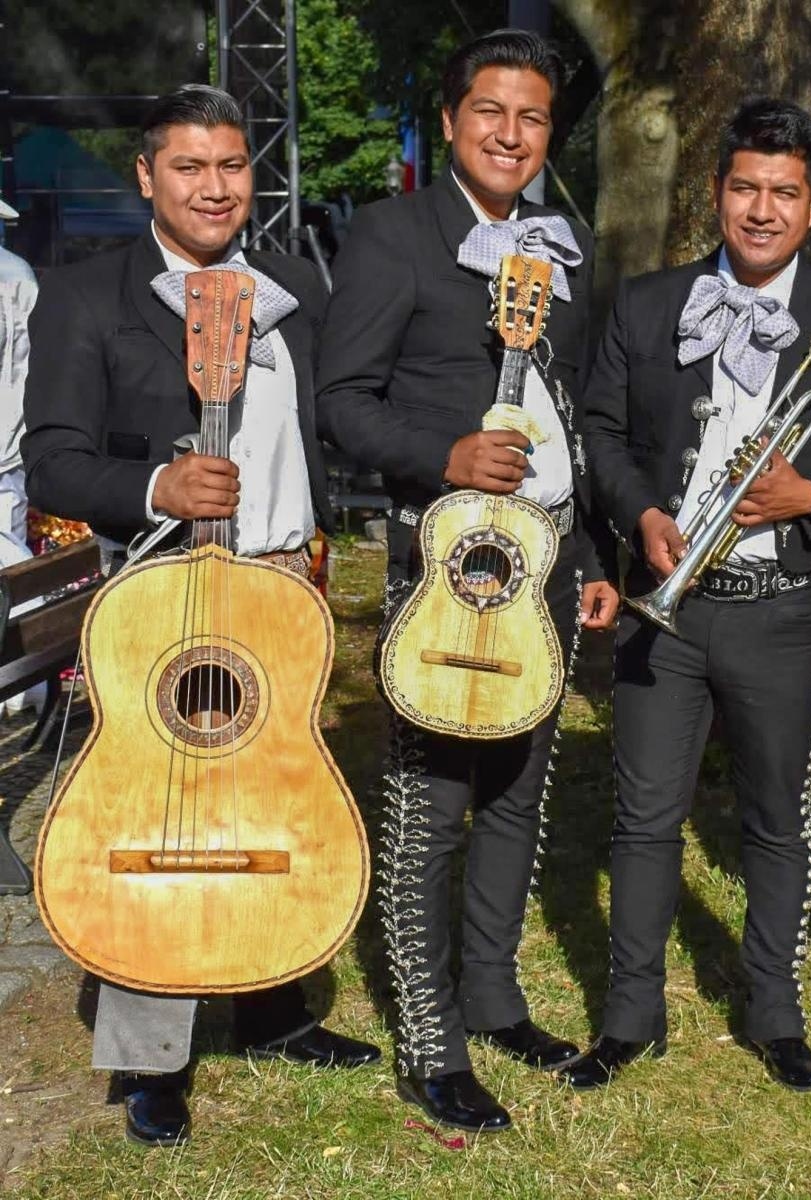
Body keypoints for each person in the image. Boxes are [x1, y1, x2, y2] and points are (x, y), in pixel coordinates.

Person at [21, 85, 380, 1149]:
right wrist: (154, 488)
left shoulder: (292, 289)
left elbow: (324, 425)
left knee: (270, 787)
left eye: (232, 166)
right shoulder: (87, 298)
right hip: (160, 595)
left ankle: (271, 1005)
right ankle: (149, 1055)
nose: (216, 187)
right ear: (147, 177)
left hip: (278, 582)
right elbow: (51, 456)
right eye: (190, 167)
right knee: (156, 805)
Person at [316, 30, 619, 1133]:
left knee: (515, 797)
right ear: (450, 121)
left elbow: (570, 419)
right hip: (440, 560)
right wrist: (443, 453)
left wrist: (589, 560)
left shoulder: (565, 245)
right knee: (428, 804)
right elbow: (341, 399)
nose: (510, 132)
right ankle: (431, 1039)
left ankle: (492, 997)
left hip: (545, 562)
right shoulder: (396, 235)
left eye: (533, 117)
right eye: (491, 110)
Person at [571, 98, 811, 1093]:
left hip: (781, 605)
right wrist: (640, 520)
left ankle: (775, 1014)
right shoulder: (646, 304)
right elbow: (602, 433)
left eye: (783, 194)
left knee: (775, 819)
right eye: (745, 188)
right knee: (643, 818)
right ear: (718, 194)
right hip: (665, 600)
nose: (761, 210)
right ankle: (631, 1017)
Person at [0, 199, 46, 714]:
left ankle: (18, 685)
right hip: (11, 443)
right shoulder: (20, 274)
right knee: (11, 553)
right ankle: (23, 687)